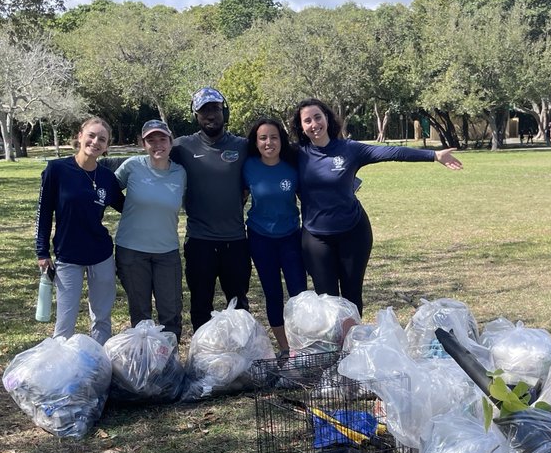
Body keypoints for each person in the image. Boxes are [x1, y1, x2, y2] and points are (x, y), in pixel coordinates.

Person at [291, 98, 463, 315]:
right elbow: (264, 151)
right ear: (301, 126)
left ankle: (352, 344)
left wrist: (434, 155)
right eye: (307, 120)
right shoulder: (295, 154)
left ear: (327, 118)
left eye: (318, 117)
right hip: (316, 237)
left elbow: (391, 153)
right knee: (327, 300)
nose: (314, 124)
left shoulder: (349, 149)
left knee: (352, 296)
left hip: (353, 232)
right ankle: (335, 347)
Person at [34, 116, 123, 345]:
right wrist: (42, 252)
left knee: (102, 319)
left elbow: (127, 208)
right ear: (80, 136)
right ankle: (61, 372)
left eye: (102, 139)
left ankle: (99, 367)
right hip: (68, 256)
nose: (95, 142)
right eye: (91, 135)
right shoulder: (56, 170)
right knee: (65, 323)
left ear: (106, 147)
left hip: (101, 254)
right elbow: (44, 213)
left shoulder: (106, 178)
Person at [170, 87, 250, 332]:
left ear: (223, 111)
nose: (210, 115)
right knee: (200, 305)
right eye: (204, 110)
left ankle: (241, 356)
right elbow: (152, 160)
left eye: (215, 108)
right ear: (196, 115)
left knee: (238, 304)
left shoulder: (243, 146)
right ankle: (202, 357)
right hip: (200, 242)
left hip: (235, 240)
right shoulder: (182, 147)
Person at [113, 119, 187, 341]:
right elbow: (108, 191)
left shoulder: (181, 173)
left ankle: (170, 364)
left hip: (167, 252)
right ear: (142, 143)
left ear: (171, 142)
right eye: (151, 140)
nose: (157, 145)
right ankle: (145, 366)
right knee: (141, 315)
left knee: (171, 312)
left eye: (162, 139)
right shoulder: (132, 166)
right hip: (132, 251)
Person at [242, 117, 308, 353]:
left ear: (281, 140)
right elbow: (237, 197)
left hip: (290, 236)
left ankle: (302, 345)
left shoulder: (293, 166)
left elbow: (312, 193)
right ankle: (285, 349)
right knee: (272, 292)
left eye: (273, 137)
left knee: (298, 292)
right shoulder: (248, 165)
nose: (268, 142)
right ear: (256, 142)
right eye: (263, 138)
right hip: (260, 237)